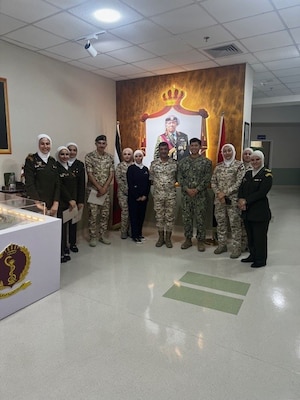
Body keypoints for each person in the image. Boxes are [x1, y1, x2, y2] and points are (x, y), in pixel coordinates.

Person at [238, 150, 273, 268]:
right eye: (252, 160)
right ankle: (252, 255)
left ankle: (260, 259)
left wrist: (246, 200)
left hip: (259, 211)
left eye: (257, 159)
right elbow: (241, 189)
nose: (255, 162)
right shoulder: (248, 174)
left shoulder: (267, 174)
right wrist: (240, 199)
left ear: (262, 160)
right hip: (247, 211)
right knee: (251, 236)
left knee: (260, 237)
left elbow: (262, 192)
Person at [177, 138, 212, 251]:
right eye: (192, 146)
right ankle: (188, 239)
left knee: (200, 218)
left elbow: (207, 178)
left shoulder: (206, 162)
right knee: (187, 218)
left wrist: (197, 189)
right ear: (189, 147)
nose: (194, 148)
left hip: (200, 195)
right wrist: (187, 189)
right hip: (186, 195)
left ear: (200, 147)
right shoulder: (183, 162)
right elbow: (179, 177)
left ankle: (200, 241)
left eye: (196, 145)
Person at [211, 143, 245, 258]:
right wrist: (219, 194)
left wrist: (225, 193)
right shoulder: (218, 166)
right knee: (221, 224)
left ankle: (236, 248)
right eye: (224, 151)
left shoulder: (239, 166)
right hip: (219, 201)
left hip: (233, 201)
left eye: (229, 150)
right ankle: (222, 245)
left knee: (235, 225)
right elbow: (213, 181)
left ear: (233, 152)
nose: (227, 153)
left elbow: (238, 183)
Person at [85, 135, 114, 247]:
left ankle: (102, 235)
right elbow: (90, 173)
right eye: (99, 143)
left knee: (104, 214)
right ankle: (93, 237)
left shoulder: (110, 157)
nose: (102, 145)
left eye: (104, 143)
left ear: (106, 145)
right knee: (93, 215)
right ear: (96, 144)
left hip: (105, 191)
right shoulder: (89, 157)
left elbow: (111, 174)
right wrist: (99, 188)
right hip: (93, 191)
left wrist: (104, 188)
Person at [150, 142, 178, 248]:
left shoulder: (174, 163)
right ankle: (160, 238)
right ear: (159, 150)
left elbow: (177, 177)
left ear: (168, 150)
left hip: (171, 195)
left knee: (170, 217)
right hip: (158, 195)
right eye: (161, 149)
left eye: (165, 149)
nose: (163, 151)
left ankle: (168, 238)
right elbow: (151, 178)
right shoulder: (154, 164)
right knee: (159, 217)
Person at [24, 134, 59, 216]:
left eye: (47, 144)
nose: (45, 146)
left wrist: (56, 202)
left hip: (52, 204)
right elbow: (29, 183)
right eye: (42, 143)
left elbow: (57, 183)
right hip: (37, 203)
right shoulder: (31, 160)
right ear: (38, 145)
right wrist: (37, 203)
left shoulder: (52, 160)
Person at [56, 146, 77, 263]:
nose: (65, 156)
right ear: (58, 155)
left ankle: (65, 248)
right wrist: (69, 200)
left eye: (67, 154)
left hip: (71, 203)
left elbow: (74, 185)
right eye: (62, 154)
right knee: (62, 229)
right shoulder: (57, 168)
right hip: (63, 202)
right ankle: (61, 253)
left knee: (70, 226)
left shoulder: (70, 167)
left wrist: (74, 200)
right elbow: (61, 187)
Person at [127, 150, 151, 243]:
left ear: (142, 157)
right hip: (134, 198)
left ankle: (139, 234)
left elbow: (148, 184)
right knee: (134, 216)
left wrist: (145, 195)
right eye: (136, 156)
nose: (138, 158)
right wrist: (137, 196)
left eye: (140, 156)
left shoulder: (145, 169)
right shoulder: (131, 168)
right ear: (134, 157)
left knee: (141, 216)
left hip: (144, 198)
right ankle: (134, 235)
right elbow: (130, 183)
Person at [66, 142, 86, 252]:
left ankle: (72, 243)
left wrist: (81, 200)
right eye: (70, 150)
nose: (72, 152)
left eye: (74, 150)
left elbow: (82, 184)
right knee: (64, 223)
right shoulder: (60, 163)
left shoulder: (80, 165)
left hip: (75, 197)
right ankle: (63, 245)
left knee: (73, 222)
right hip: (64, 199)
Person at [115, 147, 133, 239]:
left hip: (133, 194)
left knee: (132, 212)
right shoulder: (120, 166)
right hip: (123, 193)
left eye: (129, 154)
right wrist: (127, 190)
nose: (127, 156)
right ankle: (123, 231)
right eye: (125, 154)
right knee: (125, 212)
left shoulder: (135, 165)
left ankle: (131, 231)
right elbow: (119, 180)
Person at [241, 147, 253, 251]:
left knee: (249, 223)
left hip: (250, 200)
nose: (247, 155)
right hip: (239, 199)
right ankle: (242, 244)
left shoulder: (255, 168)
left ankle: (250, 244)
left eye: (249, 154)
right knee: (240, 223)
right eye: (245, 154)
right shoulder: (238, 167)